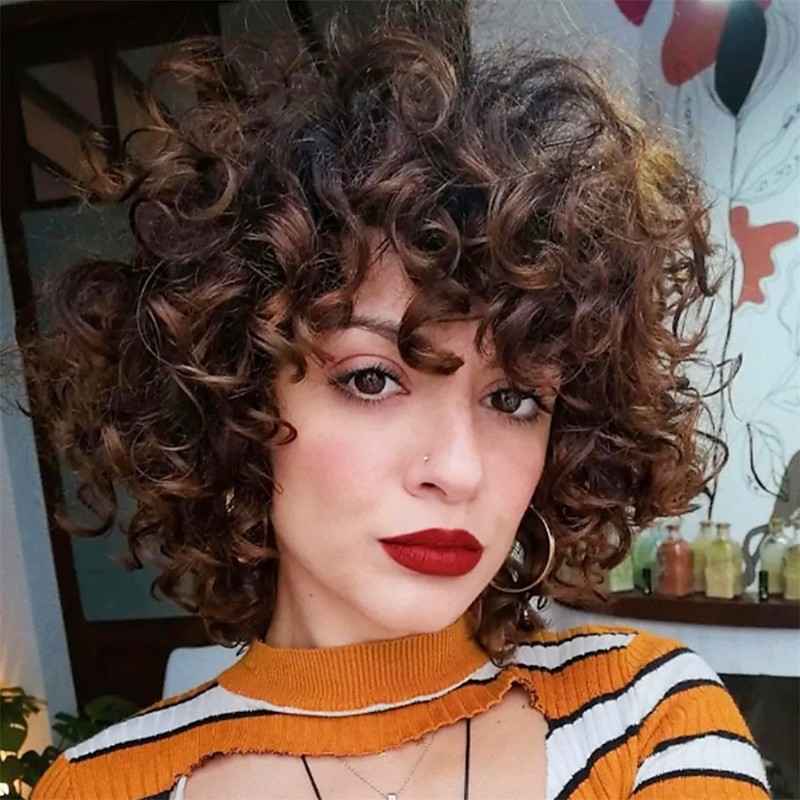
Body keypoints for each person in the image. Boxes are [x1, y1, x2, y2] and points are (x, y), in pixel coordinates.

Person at [27, 4, 770, 799]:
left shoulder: (649, 721)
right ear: (237, 403)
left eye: (514, 397)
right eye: (371, 379)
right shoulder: (101, 787)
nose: (458, 471)